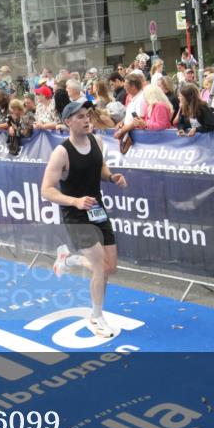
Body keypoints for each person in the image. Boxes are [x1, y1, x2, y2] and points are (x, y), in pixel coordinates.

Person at [40, 100, 127, 339]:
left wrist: (112, 177)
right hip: (75, 214)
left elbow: (100, 168)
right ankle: (96, 317)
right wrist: (75, 201)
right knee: (99, 265)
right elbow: (46, 190)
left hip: (97, 210)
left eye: (87, 115)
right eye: (79, 116)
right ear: (68, 122)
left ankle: (68, 259)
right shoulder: (62, 152)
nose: (86, 119)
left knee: (110, 268)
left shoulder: (97, 141)